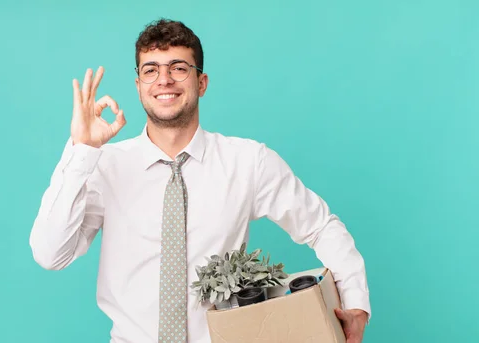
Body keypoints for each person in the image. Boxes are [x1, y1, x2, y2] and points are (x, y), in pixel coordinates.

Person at [29, 18, 371, 343]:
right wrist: (82, 151)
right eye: (151, 70)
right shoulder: (104, 166)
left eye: (178, 68)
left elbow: (320, 226)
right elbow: (50, 254)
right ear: (138, 87)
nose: (164, 80)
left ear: (201, 82)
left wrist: (355, 303)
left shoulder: (247, 161)